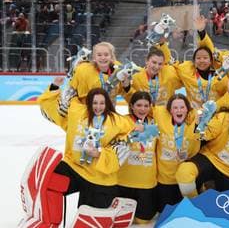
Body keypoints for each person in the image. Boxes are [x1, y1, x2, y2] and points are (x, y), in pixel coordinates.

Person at [38, 79, 141, 208]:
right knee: (49, 185)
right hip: (73, 167)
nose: (98, 107)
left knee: (93, 212)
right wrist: (55, 86)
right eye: (95, 103)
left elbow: (131, 134)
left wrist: (100, 154)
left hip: (99, 177)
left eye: (102, 103)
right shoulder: (77, 112)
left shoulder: (117, 121)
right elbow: (54, 110)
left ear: (107, 103)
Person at [176, 90, 229, 197]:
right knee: (184, 172)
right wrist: (200, 123)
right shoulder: (223, 117)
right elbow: (204, 135)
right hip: (213, 159)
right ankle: (194, 205)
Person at [153, 94, 200, 212]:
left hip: (186, 179)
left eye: (182, 107)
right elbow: (142, 107)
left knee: (187, 212)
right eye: (175, 108)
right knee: (165, 213)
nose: (179, 110)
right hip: (165, 180)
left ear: (187, 109)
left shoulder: (195, 120)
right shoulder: (160, 116)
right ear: (169, 110)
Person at [118, 91, 158, 224]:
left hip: (146, 183)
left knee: (143, 222)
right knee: (122, 222)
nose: (142, 109)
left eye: (146, 106)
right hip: (123, 182)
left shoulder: (154, 124)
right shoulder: (123, 121)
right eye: (139, 105)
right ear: (132, 106)